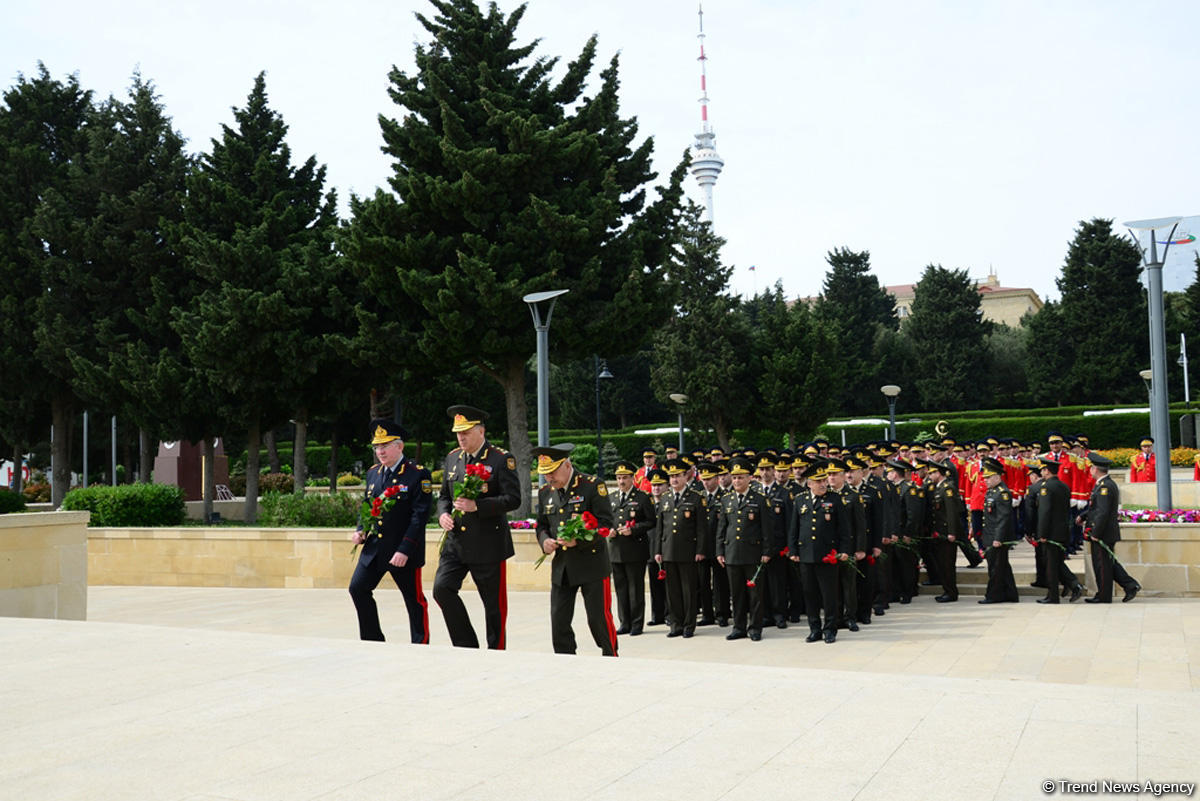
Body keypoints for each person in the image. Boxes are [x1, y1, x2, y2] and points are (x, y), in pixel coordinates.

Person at [434, 404, 522, 649]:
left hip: (487, 545)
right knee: (442, 589)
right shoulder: (453, 458)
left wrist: (478, 506)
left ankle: (496, 651)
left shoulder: (501, 459)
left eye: (466, 432)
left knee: (493, 607)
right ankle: (466, 644)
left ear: (481, 431)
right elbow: (443, 496)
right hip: (456, 543)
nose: (461, 438)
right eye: (458, 433)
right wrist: (442, 515)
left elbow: (514, 499)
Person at [349, 420, 434, 643]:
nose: (380, 451)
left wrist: (405, 550)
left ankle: (421, 643)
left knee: (414, 600)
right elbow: (367, 505)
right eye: (377, 447)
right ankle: (372, 639)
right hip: (375, 548)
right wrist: (361, 530)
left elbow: (419, 517)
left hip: (402, 551)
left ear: (400, 446)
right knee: (357, 589)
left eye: (385, 446)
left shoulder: (417, 474)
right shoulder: (373, 473)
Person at [534, 444, 619, 656]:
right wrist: (544, 541)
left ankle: (611, 657)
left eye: (552, 472)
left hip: (592, 565)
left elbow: (605, 525)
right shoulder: (546, 492)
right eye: (544, 474)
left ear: (567, 465)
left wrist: (578, 541)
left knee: (598, 620)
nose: (549, 478)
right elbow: (541, 525)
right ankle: (566, 660)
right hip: (562, 568)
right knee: (559, 621)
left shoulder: (592, 486)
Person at [788, 459, 851, 644]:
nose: (823, 484)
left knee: (829, 595)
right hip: (806, 555)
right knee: (809, 594)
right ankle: (814, 629)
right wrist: (793, 550)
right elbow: (794, 527)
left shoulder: (834, 499)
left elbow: (844, 529)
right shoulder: (800, 500)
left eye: (824, 480)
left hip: (827, 555)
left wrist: (844, 550)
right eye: (818, 481)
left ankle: (830, 629)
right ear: (809, 483)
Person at [715, 457, 771, 641]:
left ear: (749, 478)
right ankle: (739, 627)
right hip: (732, 554)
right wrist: (720, 551)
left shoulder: (760, 500)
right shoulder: (726, 500)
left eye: (741, 477)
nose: (737, 481)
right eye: (735, 477)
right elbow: (722, 529)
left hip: (753, 554)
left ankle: (755, 628)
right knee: (736, 593)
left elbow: (766, 529)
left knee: (755, 595)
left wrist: (766, 551)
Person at [652, 458, 709, 638]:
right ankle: (675, 624)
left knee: (688, 590)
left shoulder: (696, 498)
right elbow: (660, 527)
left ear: (686, 476)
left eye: (678, 476)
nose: (674, 480)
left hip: (688, 551)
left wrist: (700, 550)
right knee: (673, 590)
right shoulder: (666, 498)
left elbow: (701, 528)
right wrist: (658, 551)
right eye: (671, 476)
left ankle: (688, 625)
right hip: (668, 550)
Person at [1082, 453, 1141, 603]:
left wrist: (1096, 532)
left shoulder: (1105, 486)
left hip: (1103, 533)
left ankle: (1104, 596)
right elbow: (1096, 508)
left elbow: (1103, 512)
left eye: (1091, 468)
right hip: (1103, 531)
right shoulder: (1103, 484)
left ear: (1096, 469)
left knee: (1102, 565)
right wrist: (1083, 516)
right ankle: (1130, 585)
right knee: (1107, 564)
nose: (1090, 470)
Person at [608, 460, 655, 634]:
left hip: (635, 550)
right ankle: (624, 622)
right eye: (619, 478)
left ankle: (636, 624)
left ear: (632, 479)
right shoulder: (611, 498)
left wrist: (633, 529)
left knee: (635, 588)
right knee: (620, 589)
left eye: (625, 478)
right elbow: (605, 520)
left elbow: (651, 521)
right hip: (615, 550)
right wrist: (608, 530)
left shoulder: (642, 497)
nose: (621, 481)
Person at [1034, 458, 1084, 604]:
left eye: (1042, 470)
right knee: (1055, 562)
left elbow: (1044, 512)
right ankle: (1073, 585)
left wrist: (1042, 533)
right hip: (1063, 529)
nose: (1041, 472)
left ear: (1046, 471)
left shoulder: (1046, 487)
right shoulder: (1063, 486)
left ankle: (1053, 595)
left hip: (1050, 532)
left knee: (1050, 565)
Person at [977, 457, 1019, 604]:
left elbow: (1003, 518)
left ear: (996, 476)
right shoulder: (992, 491)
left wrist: (998, 538)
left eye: (988, 478)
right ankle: (1010, 593)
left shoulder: (1002, 493)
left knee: (995, 569)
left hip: (997, 537)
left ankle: (994, 595)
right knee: (1002, 566)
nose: (985, 480)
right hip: (990, 534)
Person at [696, 460, 731, 627]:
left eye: (709, 479)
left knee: (720, 583)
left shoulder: (724, 497)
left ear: (717, 479)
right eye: (704, 479)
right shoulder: (698, 497)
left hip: (719, 546)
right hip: (702, 547)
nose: (706, 482)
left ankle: (722, 613)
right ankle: (707, 614)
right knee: (703, 582)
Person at [925, 460, 965, 603]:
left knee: (947, 564)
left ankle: (951, 592)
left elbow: (951, 512)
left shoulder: (947, 488)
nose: (929, 476)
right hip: (939, 532)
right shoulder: (938, 487)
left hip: (946, 532)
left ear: (939, 473)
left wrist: (952, 532)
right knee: (942, 564)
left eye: (932, 473)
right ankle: (947, 590)